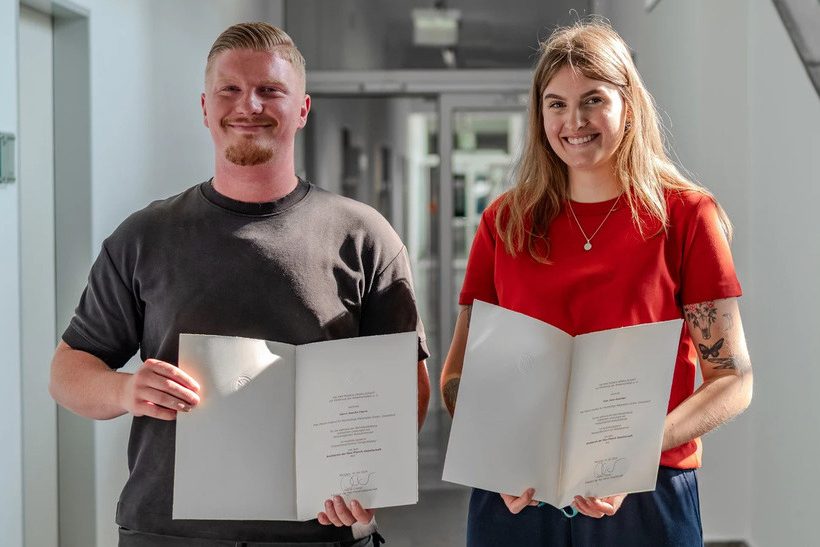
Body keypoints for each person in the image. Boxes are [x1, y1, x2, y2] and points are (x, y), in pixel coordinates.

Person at [49, 22, 430, 547]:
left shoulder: (364, 236)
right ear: (204, 107)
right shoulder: (144, 236)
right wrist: (124, 389)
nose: (248, 105)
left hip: (318, 533)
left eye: (270, 90)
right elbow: (69, 370)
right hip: (169, 534)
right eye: (229, 89)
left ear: (302, 109)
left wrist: (369, 478)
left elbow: (406, 382)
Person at [440, 20, 752, 547]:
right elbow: (458, 374)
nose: (573, 120)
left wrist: (631, 452)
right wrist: (499, 453)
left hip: (645, 494)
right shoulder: (505, 221)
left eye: (592, 100)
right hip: (519, 495)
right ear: (539, 115)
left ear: (628, 105)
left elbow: (732, 379)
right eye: (556, 104)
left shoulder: (685, 217)